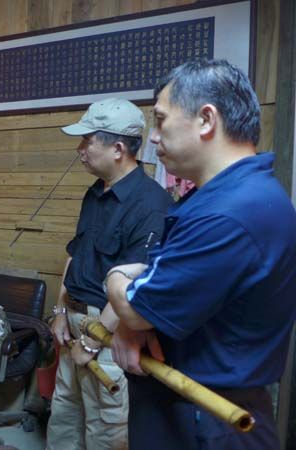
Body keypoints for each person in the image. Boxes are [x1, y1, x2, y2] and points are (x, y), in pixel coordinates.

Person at [104, 59, 296, 450]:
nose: (153, 137)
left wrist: (116, 278)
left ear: (206, 119)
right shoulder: (219, 197)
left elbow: (137, 308)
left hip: (209, 417)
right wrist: (133, 319)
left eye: (161, 120)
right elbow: (160, 289)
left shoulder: (231, 212)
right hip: (181, 400)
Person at [46, 98, 172, 450]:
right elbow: (76, 255)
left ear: (118, 149)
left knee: (105, 431)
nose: (80, 149)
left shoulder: (151, 204)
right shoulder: (95, 192)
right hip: (74, 329)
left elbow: (134, 286)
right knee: (63, 422)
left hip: (108, 337)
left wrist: (91, 343)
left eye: (87, 141)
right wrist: (60, 311)